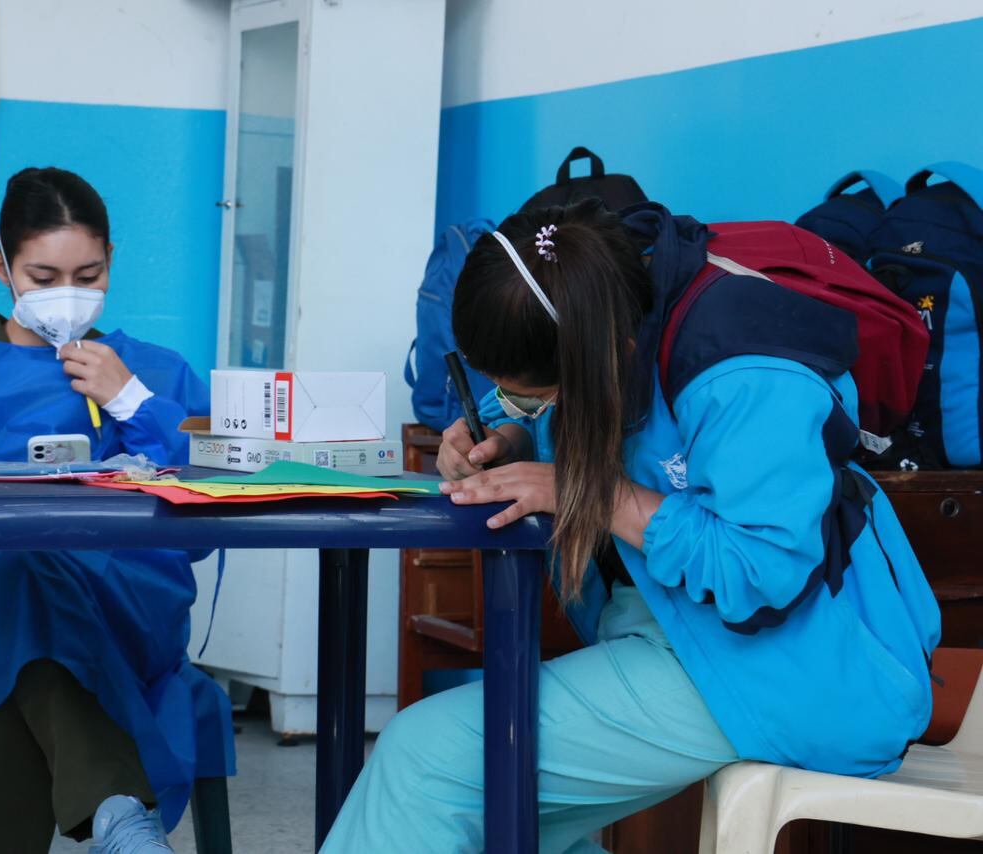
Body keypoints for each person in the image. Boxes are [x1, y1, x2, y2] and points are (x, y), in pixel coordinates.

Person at [322, 200, 941, 853]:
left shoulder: (743, 375)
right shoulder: (600, 289)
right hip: (682, 637)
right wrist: (507, 429)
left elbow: (758, 570)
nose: (529, 407)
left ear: (604, 354)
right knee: (487, 819)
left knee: (423, 761)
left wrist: (590, 492)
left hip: (800, 669)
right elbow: (545, 391)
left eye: (536, 396)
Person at [0, 167, 232, 854]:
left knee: (21, 618)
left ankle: (115, 809)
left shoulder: (151, 368)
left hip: (124, 604)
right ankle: (119, 811)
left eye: (88, 273)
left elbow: (210, 506)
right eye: (42, 277)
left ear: (111, 262)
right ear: (0, 266)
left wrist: (131, 402)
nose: (67, 295)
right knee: (17, 576)